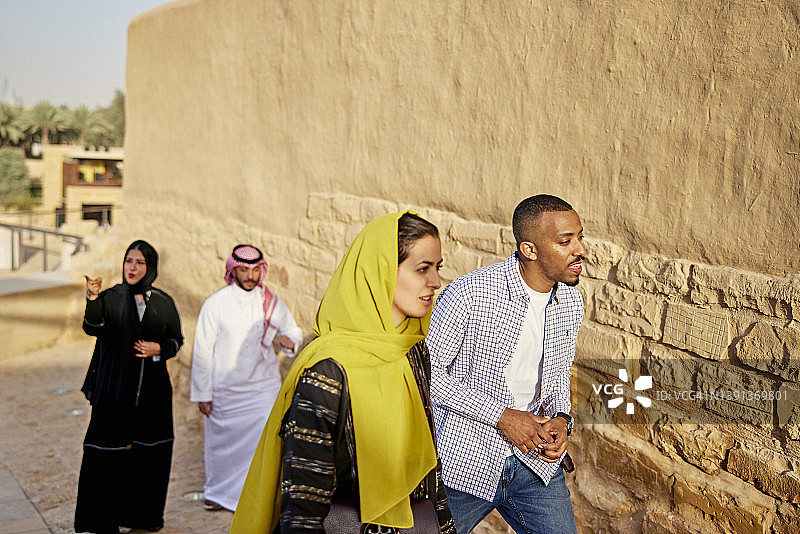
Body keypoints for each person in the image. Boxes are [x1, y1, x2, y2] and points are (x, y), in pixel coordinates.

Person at [230, 211, 456, 534]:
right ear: (380, 271)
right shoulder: (327, 372)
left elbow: (427, 466)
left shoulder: (412, 351)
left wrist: (445, 526)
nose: (435, 282)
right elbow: (304, 502)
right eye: (423, 268)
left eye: (437, 268)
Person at [426, 194, 586, 534]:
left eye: (579, 237)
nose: (580, 250)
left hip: (535, 463)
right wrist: (503, 417)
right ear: (529, 249)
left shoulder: (571, 301)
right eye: (565, 241)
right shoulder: (470, 293)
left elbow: (559, 374)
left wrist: (562, 419)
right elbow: (426, 375)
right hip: (466, 460)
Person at [75, 240, 184, 534]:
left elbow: (176, 340)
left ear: (150, 267)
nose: (132, 268)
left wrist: (159, 348)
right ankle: (103, 522)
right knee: (107, 454)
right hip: (113, 390)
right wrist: (92, 297)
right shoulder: (110, 298)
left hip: (152, 394)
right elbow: (92, 326)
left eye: (140, 263)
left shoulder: (162, 302)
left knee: (149, 455)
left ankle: (143, 517)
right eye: (128, 261)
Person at [190, 244, 303, 512]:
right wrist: (203, 393)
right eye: (243, 270)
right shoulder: (215, 305)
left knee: (265, 440)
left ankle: (258, 498)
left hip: (262, 388)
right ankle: (218, 493)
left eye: (254, 271)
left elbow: (293, 331)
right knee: (222, 448)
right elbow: (202, 351)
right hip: (226, 391)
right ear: (233, 270)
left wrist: (290, 341)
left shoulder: (270, 302)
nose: (250, 276)